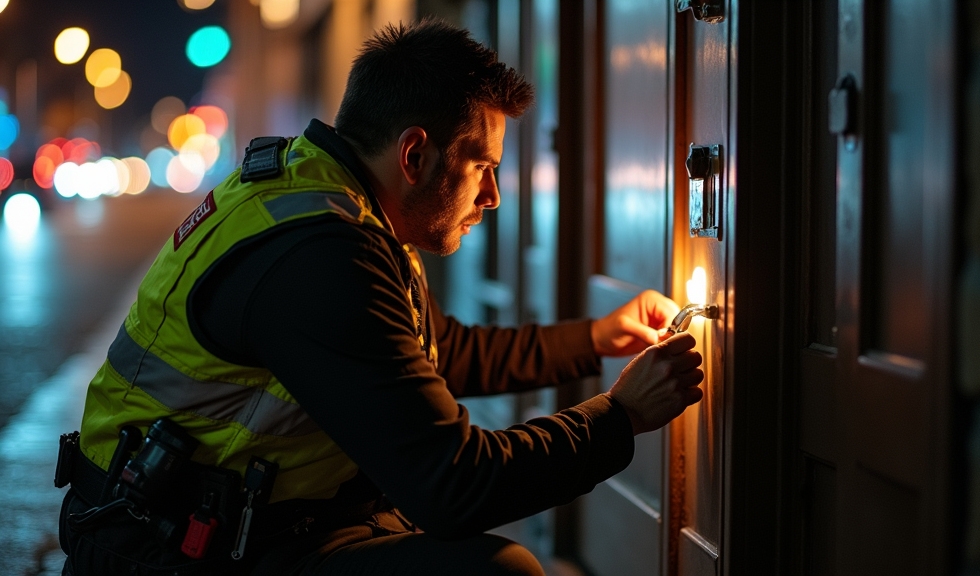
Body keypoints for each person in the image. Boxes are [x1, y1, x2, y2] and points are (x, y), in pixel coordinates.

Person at [56, 17, 704, 576]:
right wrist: (620, 419)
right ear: (415, 153)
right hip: (165, 552)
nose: (492, 197)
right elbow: (452, 485)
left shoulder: (328, 202)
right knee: (497, 571)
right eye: (482, 166)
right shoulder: (321, 258)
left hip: (219, 527)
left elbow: (440, 354)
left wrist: (594, 339)